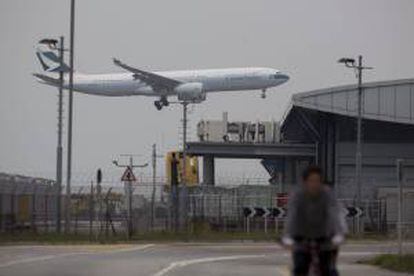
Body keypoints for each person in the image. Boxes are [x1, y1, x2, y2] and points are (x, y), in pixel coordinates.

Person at [282, 165, 347, 276]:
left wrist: (339, 235)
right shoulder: (298, 195)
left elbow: (336, 215)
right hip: (302, 237)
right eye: (311, 181)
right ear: (305, 182)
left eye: (317, 181)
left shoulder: (328, 195)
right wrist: (288, 236)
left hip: (325, 237)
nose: (314, 184)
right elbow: (292, 217)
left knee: (329, 269)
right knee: (299, 267)